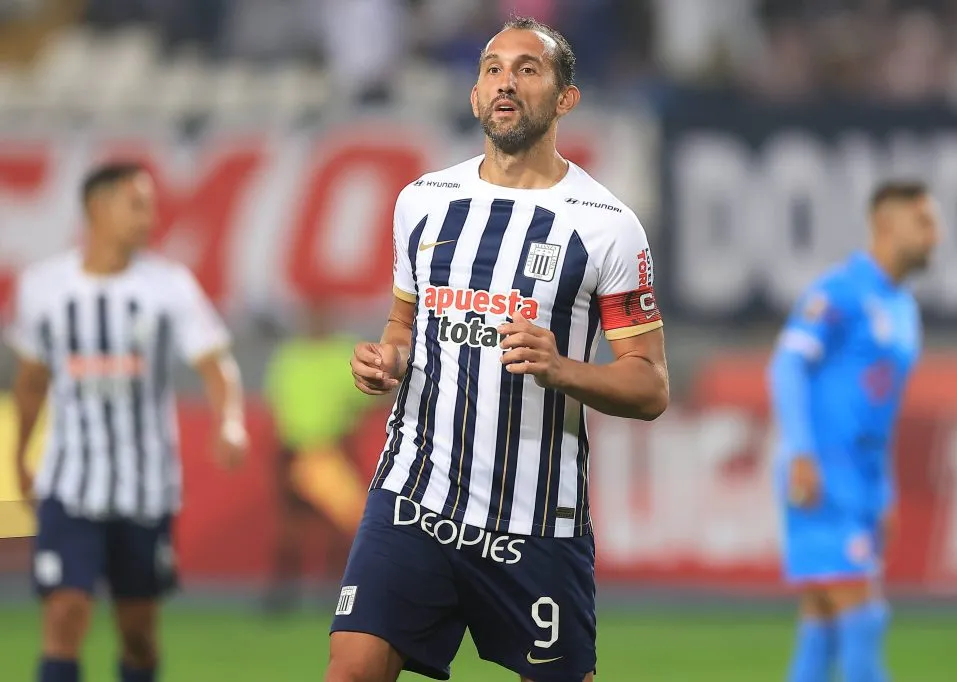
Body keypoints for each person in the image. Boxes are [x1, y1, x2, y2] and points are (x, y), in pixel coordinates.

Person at [326, 15, 669, 682]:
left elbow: (651, 386)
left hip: (536, 522)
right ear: (476, 94)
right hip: (414, 499)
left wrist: (561, 368)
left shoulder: (607, 228)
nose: (506, 81)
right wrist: (389, 358)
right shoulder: (422, 202)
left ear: (565, 98)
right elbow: (402, 325)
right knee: (352, 670)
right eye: (492, 69)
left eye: (527, 68)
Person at [8, 161, 248, 682]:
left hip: (145, 490)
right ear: (98, 207)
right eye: (136, 204)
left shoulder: (169, 286)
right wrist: (19, 455)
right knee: (65, 614)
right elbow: (30, 383)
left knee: (137, 632)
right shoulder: (43, 288)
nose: (149, 216)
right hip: (69, 485)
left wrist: (229, 421)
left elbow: (216, 365)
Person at [767, 180, 941, 682]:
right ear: (887, 225)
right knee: (864, 622)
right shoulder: (840, 292)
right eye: (924, 223)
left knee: (822, 629)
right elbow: (787, 367)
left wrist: (882, 491)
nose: (937, 236)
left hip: (862, 482)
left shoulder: (904, 308)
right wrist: (801, 454)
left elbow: (878, 411)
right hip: (822, 475)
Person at [262, 300, 376, 613]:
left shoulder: (343, 353)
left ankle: (334, 590)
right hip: (297, 450)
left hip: (331, 449)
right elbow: (279, 403)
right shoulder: (291, 355)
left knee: (344, 524)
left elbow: (366, 394)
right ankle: (285, 593)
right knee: (293, 528)